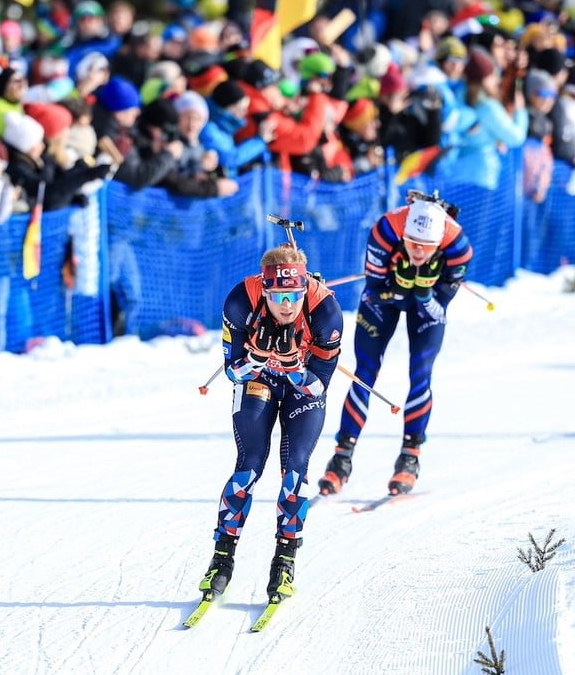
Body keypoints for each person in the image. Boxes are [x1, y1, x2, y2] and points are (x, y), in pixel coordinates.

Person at [197, 244, 342, 611]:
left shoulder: (325, 311)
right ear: (265, 289)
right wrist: (257, 358)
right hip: (257, 381)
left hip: (301, 386)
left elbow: (320, 384)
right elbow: (232, 371)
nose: (288, 305)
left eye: (294, 295)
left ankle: (285, 563)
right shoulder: (240, 301)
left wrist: (294, 367)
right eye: (279, 296)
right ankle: (221, 560)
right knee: (247, 468)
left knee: (294, 472)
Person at [319, 195, 472, 497]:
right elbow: (374, 291)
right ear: (404, 234)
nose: (417, 251)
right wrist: (403, 289)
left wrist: (425, 296)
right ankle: (342, 457)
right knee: (365, 373)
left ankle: (410, 456)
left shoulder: (458, 247)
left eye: (426, 247)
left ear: (439, 242)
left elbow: (440, 307)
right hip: (384, 299)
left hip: (423, 305)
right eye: (412, 242)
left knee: (421, 374)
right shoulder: (386, 229)